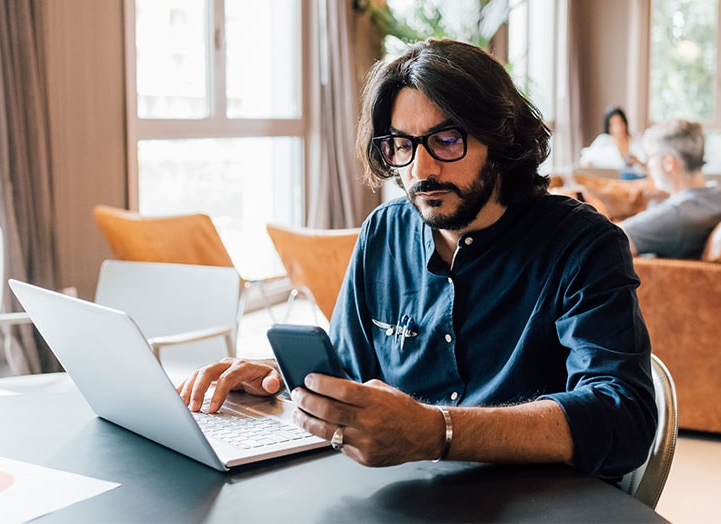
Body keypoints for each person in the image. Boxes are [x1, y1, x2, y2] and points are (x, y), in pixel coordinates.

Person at [178, 39, 657, 481]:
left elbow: (623, 417)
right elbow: (352, 368)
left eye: (447, 140)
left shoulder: (583, 245)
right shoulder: (384, 232)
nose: (421, 170)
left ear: (502, 137)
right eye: (402, 145)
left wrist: (438, 431)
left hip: (535, 501)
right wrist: (279, 376)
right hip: (408, 494)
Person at [618, 119, 721, 259]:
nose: (649, 165)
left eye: (651, 156)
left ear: (668, 163)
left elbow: (606, 239)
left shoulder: (676, 213)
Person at [579, 106, 647, 173]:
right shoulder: (603, 141)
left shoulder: (637, 140)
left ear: (625, 123)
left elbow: (647, 166)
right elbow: (586, 160)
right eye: (614, 124)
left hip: (634, 180)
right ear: (609, 127)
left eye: (620, 122)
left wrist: (638, 162)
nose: (619, 127)